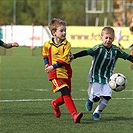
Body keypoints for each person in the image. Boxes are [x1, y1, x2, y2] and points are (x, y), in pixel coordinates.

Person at [71, 26, 133, 120]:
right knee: (96, 98)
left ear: (113, 38)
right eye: (106, 38)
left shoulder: (116, 50)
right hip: (96, 75)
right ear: (102, 38)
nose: (108, 40)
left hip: (109, 78)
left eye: (110, 38)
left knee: (107, 97)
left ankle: (97, 113)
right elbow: (86, 52)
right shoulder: (98, 48)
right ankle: (91, 99)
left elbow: (128, 56)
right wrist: (74, 56)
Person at [42, 18, 83, 123]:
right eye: (61, 30)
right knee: (65, 91)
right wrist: (47, 64)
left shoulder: (67, 45)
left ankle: (55, 103)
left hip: (66, 72)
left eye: (65, 30)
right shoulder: (48, 44)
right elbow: (45, 55)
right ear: (54, 32)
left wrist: (53, 66)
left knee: (66, 95)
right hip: (55, 74)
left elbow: (65, 59)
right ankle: (74, 114)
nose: (64, 33)